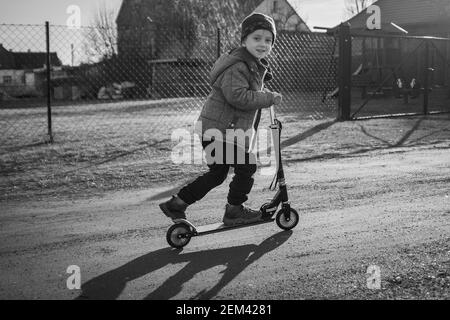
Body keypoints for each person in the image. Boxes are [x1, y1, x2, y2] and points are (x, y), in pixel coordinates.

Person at [159, 13, 283, 226]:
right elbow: (238, 96)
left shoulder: (249, 64)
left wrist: (262, 88)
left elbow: (246, 89)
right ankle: (234, 211)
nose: (263, 44)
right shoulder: (238, 66)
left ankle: (177, 204)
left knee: (217, 174)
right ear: (244, 41)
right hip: (221, 132)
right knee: (247, 166)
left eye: (268, 40)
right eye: (257, 38)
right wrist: (268, 97)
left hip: (220, 130)